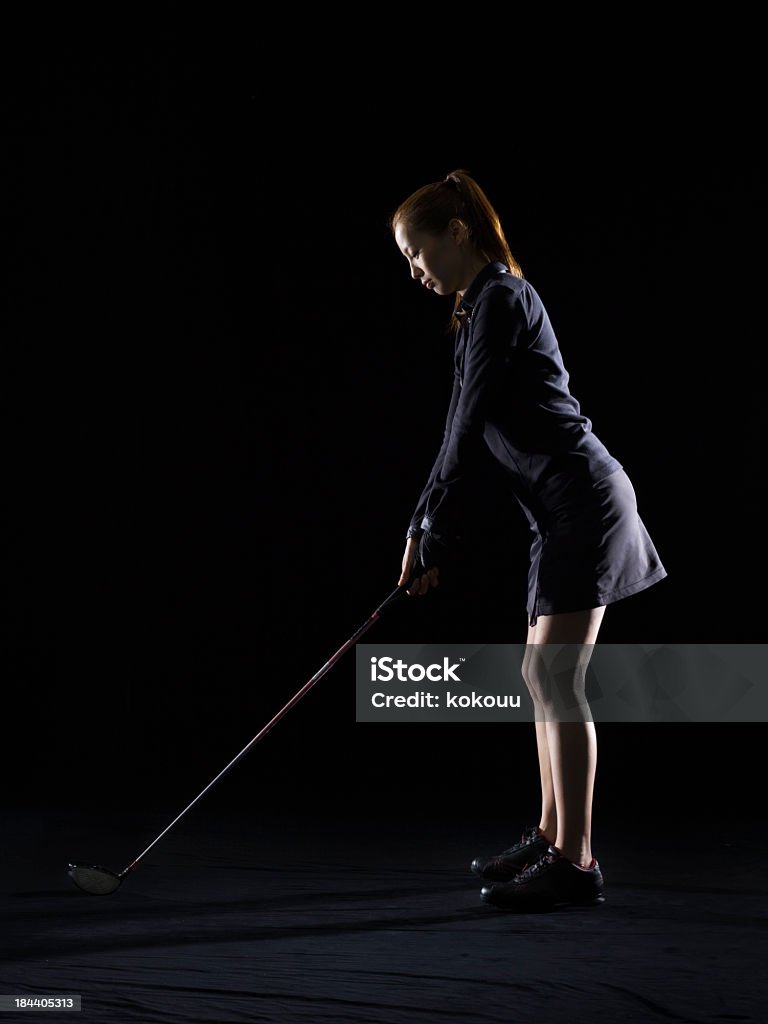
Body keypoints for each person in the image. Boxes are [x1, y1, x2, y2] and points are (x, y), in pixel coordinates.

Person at [390, 169, 668, 912]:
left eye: (417, 253)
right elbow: (464, 427)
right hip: (556, 512)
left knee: (555, 679)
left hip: (584, 501)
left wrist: (430, 525)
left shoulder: (505, 298)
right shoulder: (479, 307)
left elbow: (469, 417)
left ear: (457, 233)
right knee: (536, 675)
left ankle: (576, 863)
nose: (413, 270)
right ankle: (551, 838)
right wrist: (426, 523)